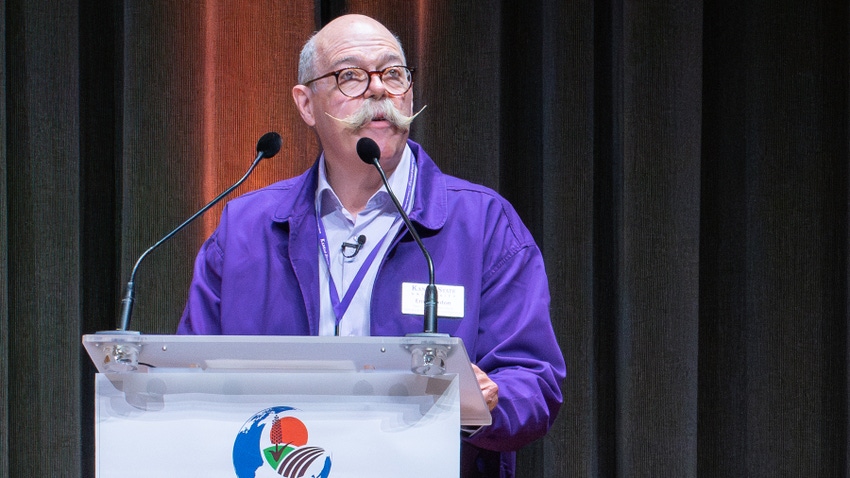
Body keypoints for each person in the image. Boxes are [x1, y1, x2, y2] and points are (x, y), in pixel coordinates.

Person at [178, 13, 565, 477]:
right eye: (351, 76)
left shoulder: (482, 223)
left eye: (394, 74)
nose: (379, 90)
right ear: (306, 104)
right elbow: (188, 374)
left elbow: (535, 382)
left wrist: (491, 401)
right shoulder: (246, 227)